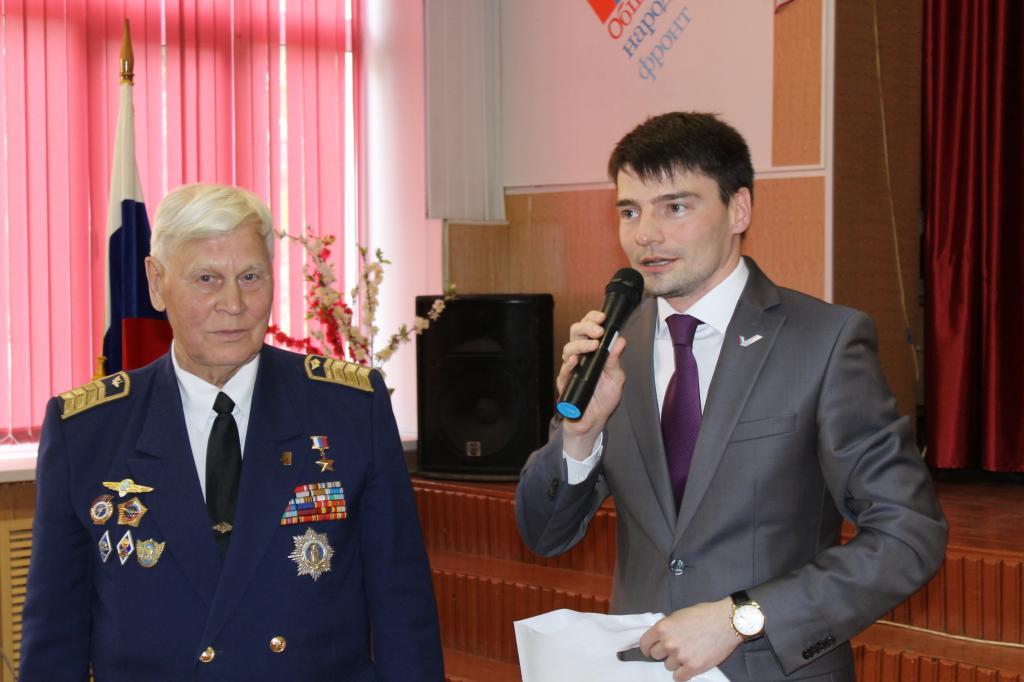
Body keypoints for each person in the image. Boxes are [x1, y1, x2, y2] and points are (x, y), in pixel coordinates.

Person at [515, 113, 947, 681]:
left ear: (738, 209)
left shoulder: (824, 341)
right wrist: (580, 435)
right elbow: (544, 535)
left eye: (675, 207)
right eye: (629, 211)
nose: (645, 234)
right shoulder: (613, 349)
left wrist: (742, 617)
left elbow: (908, 535)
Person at [19, 183, 444, 681]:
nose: (234, 303)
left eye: (250, 276)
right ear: (156, 283)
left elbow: (403, 611)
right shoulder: (88, 432)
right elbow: (55, 637)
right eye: (207, 279)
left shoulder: (349, 411)